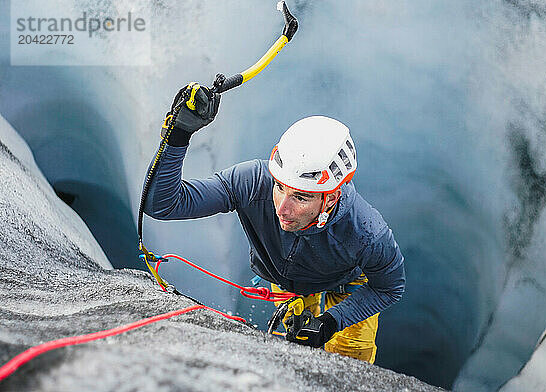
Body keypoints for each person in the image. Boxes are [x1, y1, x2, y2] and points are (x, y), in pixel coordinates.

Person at [144, 83, 406, 364]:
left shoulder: (366, 232)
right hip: (287, 279)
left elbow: (389, 287)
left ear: (331, 198)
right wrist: (179, 134)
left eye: (301, 197)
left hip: (347, 283)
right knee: (298, 345)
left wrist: (331, 321)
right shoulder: (253, 182)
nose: (282, 207)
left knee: (350, 361)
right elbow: (163, 204)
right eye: (279, 187)